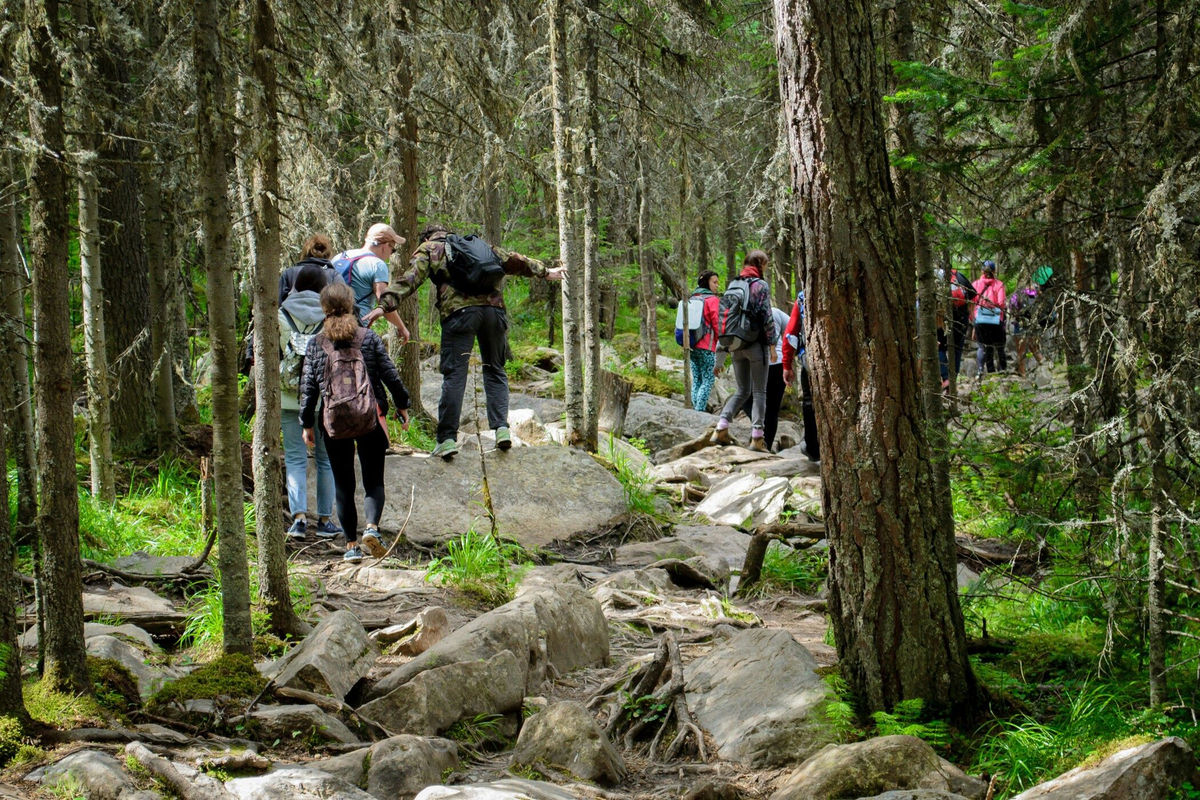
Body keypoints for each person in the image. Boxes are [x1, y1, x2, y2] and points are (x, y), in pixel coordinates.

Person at [377, 223, 566, 460]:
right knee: (495, 369)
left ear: (427, 236)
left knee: (455, 375)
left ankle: (446, 439)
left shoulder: (430, 248)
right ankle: (501, 429)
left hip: (459, 315)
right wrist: (545, 271)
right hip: (493, 313)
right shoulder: (476, 245)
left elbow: (410, 278)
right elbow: (513, 260)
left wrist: (385, 303)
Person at [299, 283, 410, 563]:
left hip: (334, 422)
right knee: (374, 480)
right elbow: (390, 374)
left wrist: (306, 423)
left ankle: (350, 546)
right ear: (351, 305)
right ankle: (372, 528)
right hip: (370, 417)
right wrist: (402, 404)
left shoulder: (316, 343)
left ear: (323, 309)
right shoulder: (367, 337)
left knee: (343, 484)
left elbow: (308, 388)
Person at [279, 264, 341, 539]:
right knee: (326, 459)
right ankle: (326, 521)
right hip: (322, 398)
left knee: (294, 457)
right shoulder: (331, 318)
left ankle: (299, 518)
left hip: (288, 396)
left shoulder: (279, 314)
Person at [713, 250, 778, 452]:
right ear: (760, 264)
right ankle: (757, 438)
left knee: (742, 390)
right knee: (759, 392)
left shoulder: (734, 284)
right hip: (755, 345)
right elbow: (767, 316)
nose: (766, 267)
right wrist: (772, 344)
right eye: (765, 264)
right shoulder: (760, 285)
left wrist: (720, 355)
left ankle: (721, 426)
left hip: (735, 345)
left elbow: (724, 320)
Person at [334, 223, 411, 342]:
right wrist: (402, 327)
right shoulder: (377, 265)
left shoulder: (340, 257)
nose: (391, 253)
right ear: (385, 246)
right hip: (355, 328)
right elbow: (384, 302)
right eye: (393, 249)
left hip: (330, 325)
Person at [740, 305, 790, 451]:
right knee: (772, 410)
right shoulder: (775, 311)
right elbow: (792, 331)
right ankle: (764, 444)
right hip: (777, 363)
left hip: (754, 363)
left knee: (746, 398)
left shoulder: (743, 314)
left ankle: (760, 433)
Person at [781, 290, 819, 462]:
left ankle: (812, 447)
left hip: (811, 356)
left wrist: (787, 365)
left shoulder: (804, 296)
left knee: (809, 400)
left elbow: (791, 332)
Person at [687, 271, 722, 411]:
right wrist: (724, 342)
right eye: (714, 282)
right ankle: (699, 411)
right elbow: (717, 324)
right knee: (708, 380)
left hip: (691, 345)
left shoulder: (692, 298)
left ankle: (696, 408)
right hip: (707, 346)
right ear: (706, 282)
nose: (717, 285)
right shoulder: (712, 300)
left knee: (697, 380)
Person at [278, 234, 343, 304]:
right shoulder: (334, 275)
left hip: (291, 313)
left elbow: (278, 301)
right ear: (327, 254)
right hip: (324, 314)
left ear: (306, 252)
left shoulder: (289, 273)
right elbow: (343, 301)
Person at [972, 259, 1007, 374]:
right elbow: (1001, 303)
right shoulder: (999, 284)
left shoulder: (975, 284)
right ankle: (1002, 369)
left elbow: (973, 302)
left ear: (982, 271)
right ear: (994, 271)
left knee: (984, 346)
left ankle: (986, 370)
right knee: (1000, 345)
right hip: (996, 319)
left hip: (980, 319)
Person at [1008, 275, 1045, 377]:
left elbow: (1011, 308)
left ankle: (1023, 374)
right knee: (1035, 348)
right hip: (1033, 324)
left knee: (1021, 351)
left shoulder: (1017, 294)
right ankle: (1045, 367)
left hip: (1019, 325)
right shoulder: (1037, 293)